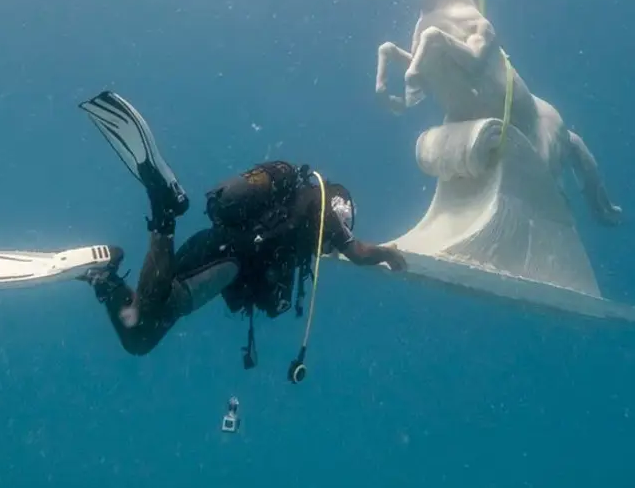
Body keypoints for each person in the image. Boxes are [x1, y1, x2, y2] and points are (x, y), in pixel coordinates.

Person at [78, 91, 406, 362]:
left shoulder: (302, 210)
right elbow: (359, 253)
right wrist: (388, 254)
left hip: (216, 251)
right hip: (226, 260)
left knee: (139, 337)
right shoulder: (318, 205)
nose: (331, 246)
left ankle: (105, 276)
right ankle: (165, 206)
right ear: (341, 209)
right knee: (148, 315)